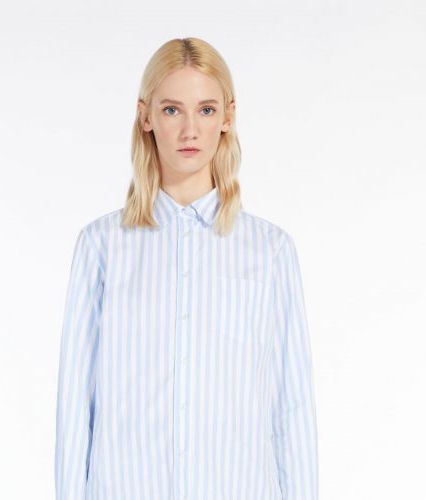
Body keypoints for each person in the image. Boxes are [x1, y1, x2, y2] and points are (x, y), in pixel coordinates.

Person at [55, 37, 319, 500]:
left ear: (228, 117)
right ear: (146, 116)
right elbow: (76, 406)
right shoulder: (102, 247)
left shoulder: (271, 251)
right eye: (172, 110)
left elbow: (291, 408)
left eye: (206, 110)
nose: (190, 130)